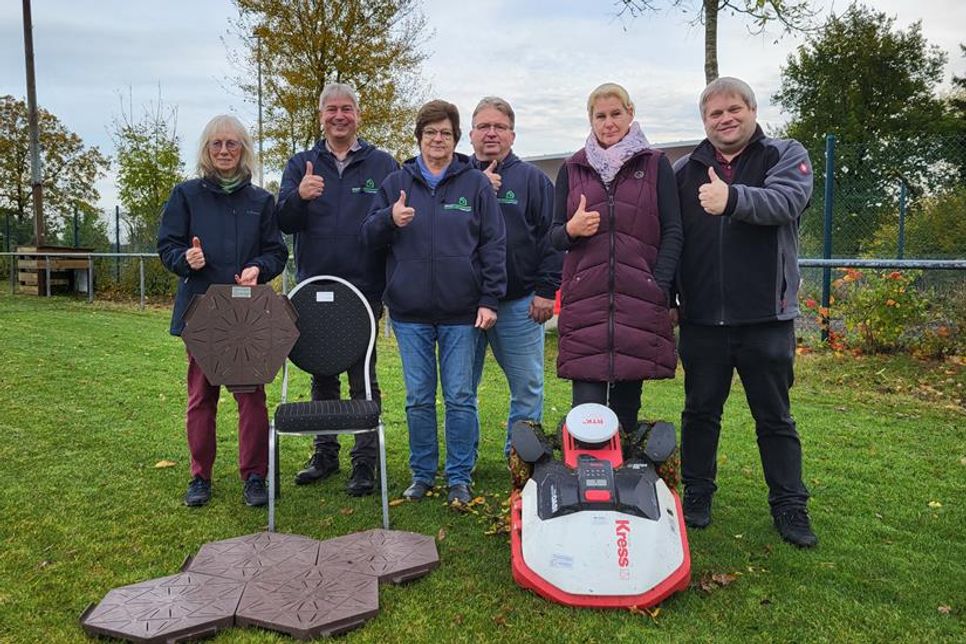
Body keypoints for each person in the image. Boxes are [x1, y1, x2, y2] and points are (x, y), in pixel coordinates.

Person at [673, 77, 817, 547]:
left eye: (734, 109)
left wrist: (731, 199)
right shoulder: (683, 170)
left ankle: (790, 506)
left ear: (752, 110)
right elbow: (672, 239)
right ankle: (696, 495)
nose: (725, 119)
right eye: (715, 114)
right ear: (704, 121)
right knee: (699, 413)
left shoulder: (784, 154)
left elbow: (786, 202)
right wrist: (670, 297)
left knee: (774, 417)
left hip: (765, 318)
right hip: (702, 320)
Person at [363, 100, 506, 506]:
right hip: (410, 314)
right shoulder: (396, 182)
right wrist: (389, 218)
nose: (438, 139)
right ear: (419, 138)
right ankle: (422, 473)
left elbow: (493, 244)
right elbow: (367, 235)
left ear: (456, 138)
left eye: (445, 133)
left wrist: (489, 298)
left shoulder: (475, 184)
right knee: (418, 397)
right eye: (430, 133)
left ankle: (459, 475)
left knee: (461, 396)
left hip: (463, 312)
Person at [157, 114, 288, 508]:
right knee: (202, 397)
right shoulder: (186, 195)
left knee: (251, 398)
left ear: (243, 150)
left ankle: (254, 477)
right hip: (201, 311)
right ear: (206, 151)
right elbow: (167, 247)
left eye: (232, 144)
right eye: (217, 144)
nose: (225, 151)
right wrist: (186, 258)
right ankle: (200, 476)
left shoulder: (261, 201)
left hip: (246, 315)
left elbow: (276, 252)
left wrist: (259, 269)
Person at [276, 83, 398, 496]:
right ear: (321, 116)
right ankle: (324, 452)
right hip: (313, 287)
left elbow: (395, 219)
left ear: (359, 116)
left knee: (363, 373)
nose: (339, 116)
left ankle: (365, 461)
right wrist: (300, 197)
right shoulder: (301, 163)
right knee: (321, 370)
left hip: (364, 287)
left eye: (347, 109)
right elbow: (283, 220)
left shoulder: (382, 164)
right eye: (332, 110)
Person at [550, 82, 682, 440]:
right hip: (586, 302)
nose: (609, 123)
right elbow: (552, 235)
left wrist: (659, 285)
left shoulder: (655, 165)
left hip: (637, 301)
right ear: (590, 120)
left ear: (630, 114)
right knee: (587, 414)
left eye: (616, 114)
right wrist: (572, 230)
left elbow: (673, 230)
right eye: (600, 116)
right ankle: (586, 484)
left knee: (624, 411)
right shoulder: (572, 168)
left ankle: (622, 485)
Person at [468, 97, 561, 455]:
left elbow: (553, 239)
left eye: (499, 127)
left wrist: (545, 290)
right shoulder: (458, 178)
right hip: (466, 304)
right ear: (471, 134)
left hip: (520, 303)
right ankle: (465, 460)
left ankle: (520, 456)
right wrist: (476, 186)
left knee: (528, 386)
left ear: (512, 134)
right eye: (484, 127)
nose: (491, 133)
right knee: (462, 390)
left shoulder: (533, 180)